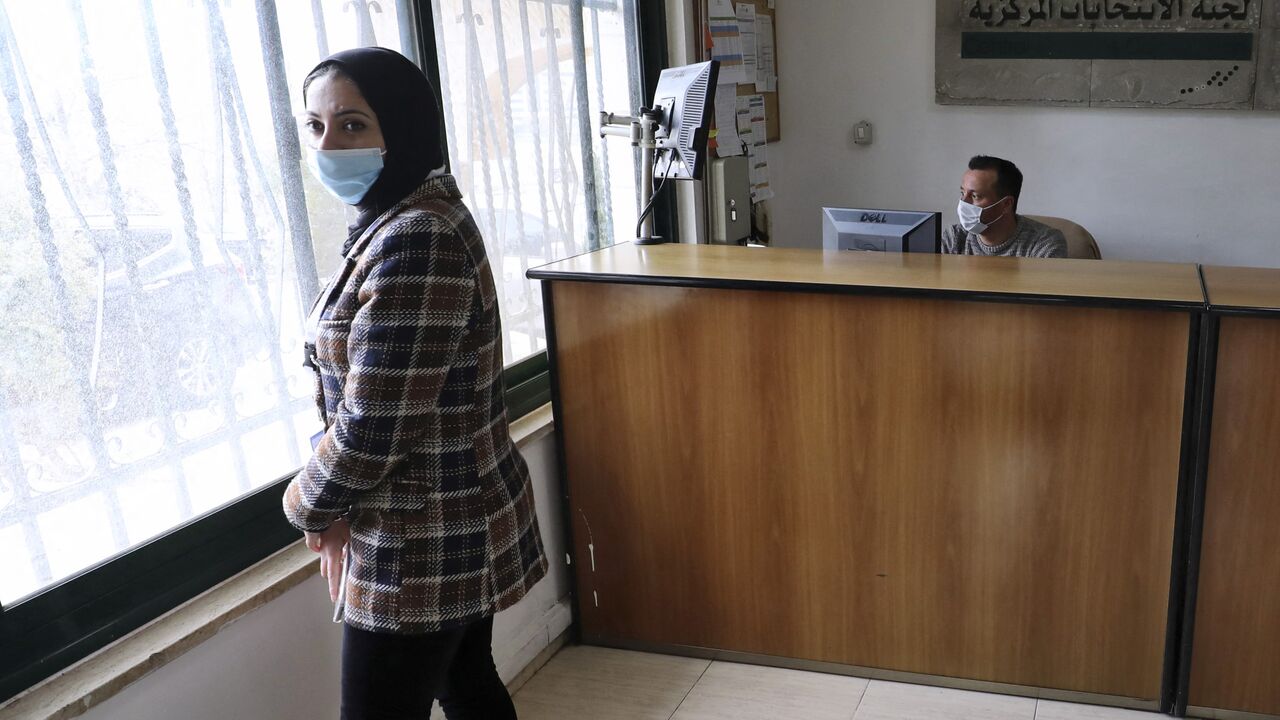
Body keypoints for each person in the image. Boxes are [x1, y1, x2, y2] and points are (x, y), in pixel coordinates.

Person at [282, 47, 547, 720]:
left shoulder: (416, 236)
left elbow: (377, 423)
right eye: (314, 127)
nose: (328, 145)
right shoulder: (401, 216)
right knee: (466, 684)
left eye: (351, 125)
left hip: (420, 539)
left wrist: (306, 504)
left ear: (399, 126)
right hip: (438, 524)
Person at [941, 155, 1067, 258]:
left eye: (975, 196)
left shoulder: (1044, 242)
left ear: (1006, 204)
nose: (963, 202)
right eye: (962, 193)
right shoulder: (954, 238)